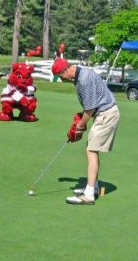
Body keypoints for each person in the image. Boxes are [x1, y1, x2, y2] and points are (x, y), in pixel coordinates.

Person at [51, 58, 120, 205]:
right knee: (91, 149)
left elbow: (90, 109)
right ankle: (93, 187)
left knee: (91, 151)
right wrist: (81, 120)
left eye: (60, 75)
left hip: (106, 114)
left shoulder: (83, 80)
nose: (61, 79)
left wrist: (79, 126)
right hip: (103, 113)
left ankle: (89, 194)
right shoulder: (80, 74)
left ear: (66, 70)